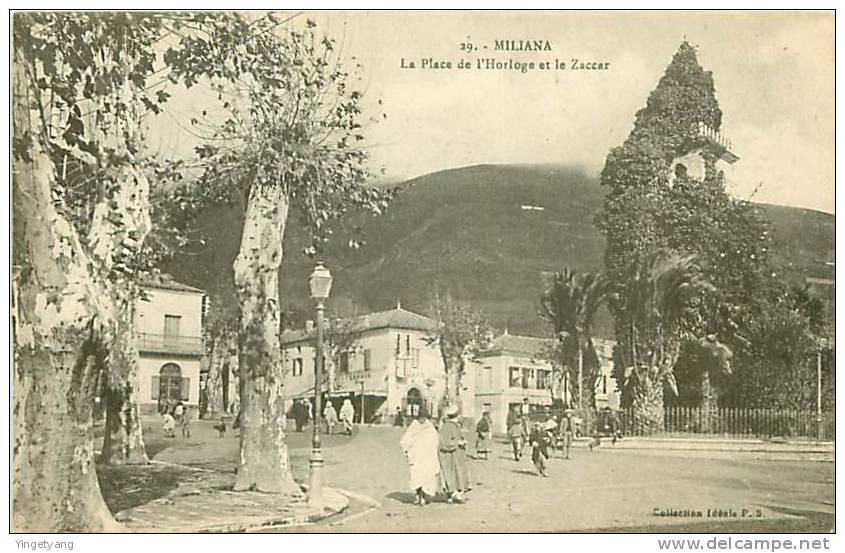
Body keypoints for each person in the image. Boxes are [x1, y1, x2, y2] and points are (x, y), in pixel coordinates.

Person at [400, 407, 440, 506]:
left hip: (427, 456)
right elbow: (405, 440)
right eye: (421, 417)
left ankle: (423, 497)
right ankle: (419, 496)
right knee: (417, 477)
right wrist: (408, 449)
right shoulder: (414, 426)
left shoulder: (430, 427)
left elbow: (435, 440)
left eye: (424, 418)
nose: (422, 420)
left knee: (426, 477)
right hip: (416, 456)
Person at [437, 405, 468, 503]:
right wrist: (458, 443)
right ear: (457, 415)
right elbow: (444, 442)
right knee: (452, 474)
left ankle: (451, 495)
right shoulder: (448, 426)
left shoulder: (455, 425)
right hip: (450, 455)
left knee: (456, 473)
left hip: (456, 455)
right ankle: (455, 494)